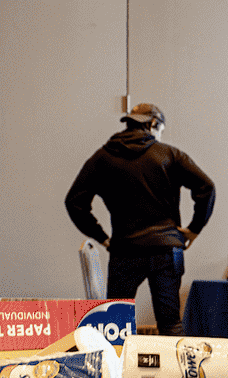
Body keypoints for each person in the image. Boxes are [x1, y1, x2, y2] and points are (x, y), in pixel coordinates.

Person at [65, 103, 215, 336]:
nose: (159, 137)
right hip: (166, 250)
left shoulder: (102, 158)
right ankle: (174, 373)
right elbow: (207, 187)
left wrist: (103, 238)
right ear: (153, 124)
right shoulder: (169, 155)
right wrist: (194, 228)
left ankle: (114, 372)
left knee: (115, 324)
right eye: (160, 131)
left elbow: (74, 202)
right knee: (170, 324)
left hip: (124, 250)